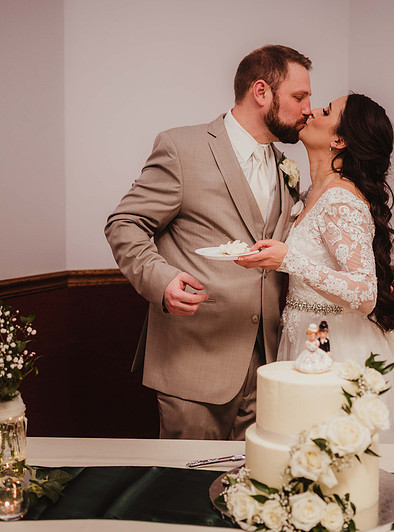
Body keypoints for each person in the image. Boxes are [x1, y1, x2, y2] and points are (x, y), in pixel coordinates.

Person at [105, 45, 312, 440]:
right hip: (194, 363)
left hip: (266, 367)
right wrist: (162, 280)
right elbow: (124, 223)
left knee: (256, 478)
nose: (307, 109)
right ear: (261, 91)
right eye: (299, 97)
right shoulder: (182, 148)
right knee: (186, 479)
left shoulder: (286, 167)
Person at [236, 93, 394, 444]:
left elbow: (365, 293)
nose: (310, 111)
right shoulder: (313, 194)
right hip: (307, 340)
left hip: (339, 349)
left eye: (325, 111)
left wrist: (288, 260)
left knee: (338, 453)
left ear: (339, 139)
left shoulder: (339, 199)